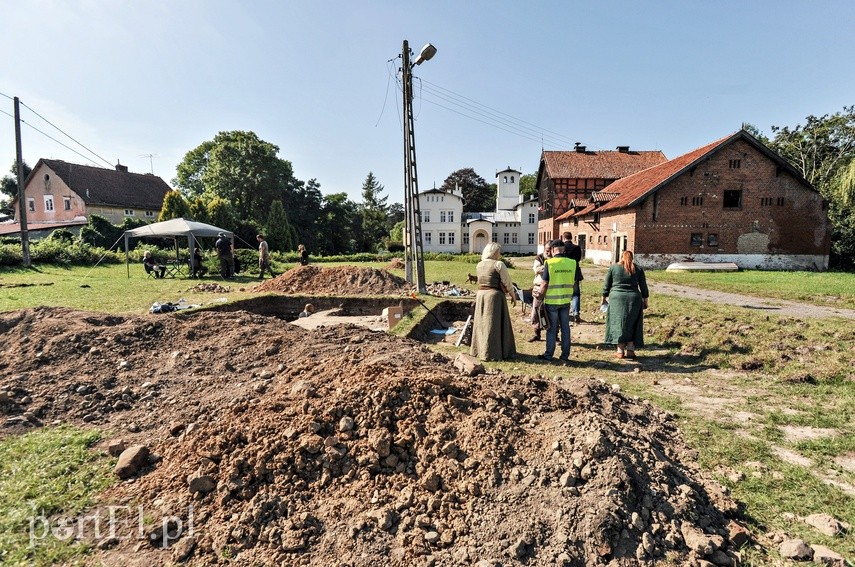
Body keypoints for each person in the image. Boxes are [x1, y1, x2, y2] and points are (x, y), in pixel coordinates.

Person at [470, 242, 516, 361]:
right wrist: (513, 295)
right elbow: (507, 282)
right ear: (494, 252)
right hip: (494, 297)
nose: (499, 254)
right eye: (498, 252)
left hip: (481, 295)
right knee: (493, 325)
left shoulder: (479, 264)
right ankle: (492, 353)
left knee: (482, 325)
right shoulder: (498, 264)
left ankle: (480, 351)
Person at [601, 250, 650, 359]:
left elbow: (606, 285)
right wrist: (645, 300)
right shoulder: (638, 269)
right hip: (634, 299)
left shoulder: (613, 268)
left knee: (618, 323)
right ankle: (631, 350)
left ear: (621, 257)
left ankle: (620, 350)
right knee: (633, 323)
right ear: (632, 258)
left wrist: (603, 298)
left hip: (616, 299)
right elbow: (643, 287)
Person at [539, 239, 577, 362]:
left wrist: (540, 297)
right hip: (565, 301)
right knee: (565, 328)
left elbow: (544, 283)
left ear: (553, 250)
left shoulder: (549, 263)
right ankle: (565, 356)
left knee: (551, 328)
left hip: (551, 301)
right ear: (563, 249)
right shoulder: (572, 263)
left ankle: (549, 355)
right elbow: (575, 282)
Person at [527, 245, 551, 342]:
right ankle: (537, 334)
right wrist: (548, 267)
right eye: (546, 250)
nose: (548, 252)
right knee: (536, 311)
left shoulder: (554, 259)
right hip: (538, 286)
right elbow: (536, 269)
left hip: (550, 288)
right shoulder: (539, 257)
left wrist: (545, 268)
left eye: (549, 250)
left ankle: (555, 335)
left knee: (550, 313)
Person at [562, 231, 584, 323]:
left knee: (564, 293)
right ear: (571, 238)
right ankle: (576, 313)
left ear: (563, 238)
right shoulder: (577, 247)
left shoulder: (562, 248)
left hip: (564, 273)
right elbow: (579, 259)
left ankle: (564, 313)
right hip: (575, 273)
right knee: (575, 294)